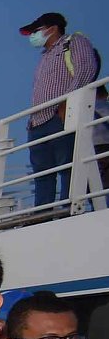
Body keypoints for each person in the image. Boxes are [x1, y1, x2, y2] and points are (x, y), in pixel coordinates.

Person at [20, 12, 100, 208]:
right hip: (38, 122)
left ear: (52, 28)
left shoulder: (73, 42)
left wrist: (67, 103)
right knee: (41, 172)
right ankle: (42, 211)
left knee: (68, 165)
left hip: (61, 116)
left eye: (36, 31)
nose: (33, 37)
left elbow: (85, 70)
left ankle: (68, 207)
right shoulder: (44, 57)